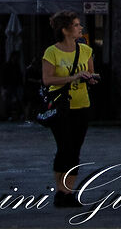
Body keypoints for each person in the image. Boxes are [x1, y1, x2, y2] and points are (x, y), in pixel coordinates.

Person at [40, 12, 97, 210]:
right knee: (64, 147)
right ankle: (60, 190)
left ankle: (69, 192)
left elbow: (90, 72)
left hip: (82, 104)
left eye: (79, 24)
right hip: (61, 106)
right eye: (75, 25)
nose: (80, 28)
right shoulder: (52, 52)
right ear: (64, 30)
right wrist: (71, 78)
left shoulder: (86, 50)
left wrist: (90, 78)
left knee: (75, 150)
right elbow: (47, 80)